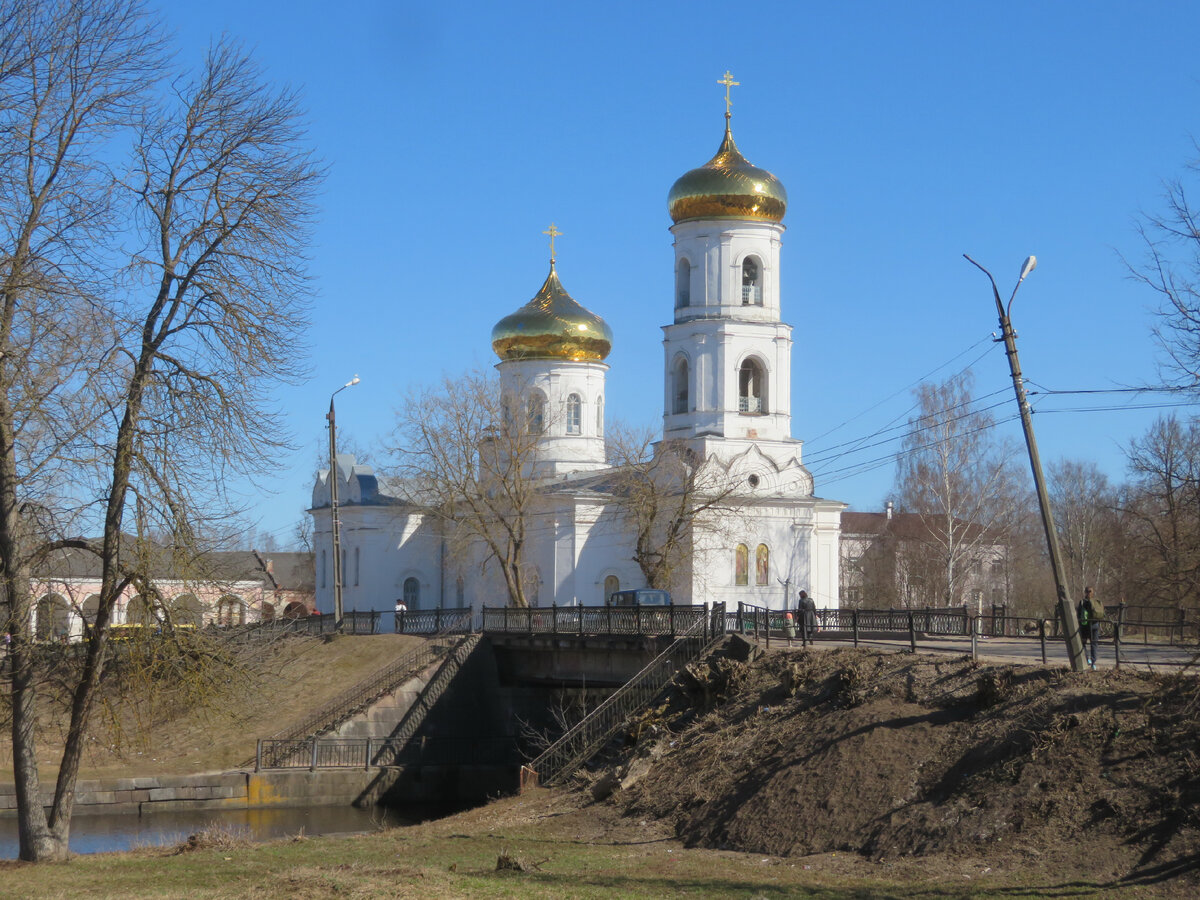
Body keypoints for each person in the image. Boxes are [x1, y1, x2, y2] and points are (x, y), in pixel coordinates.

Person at [1076, 586, 1103, 670]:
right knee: (1094, 644)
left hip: (1085, 626)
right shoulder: (1097, 602)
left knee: (1083, 643)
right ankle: (1093, 663)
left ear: (1085, 592)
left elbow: (1079, 614)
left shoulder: (1082, 602)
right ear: (1093, 592)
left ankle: (1087, 659)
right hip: (1095, 625)